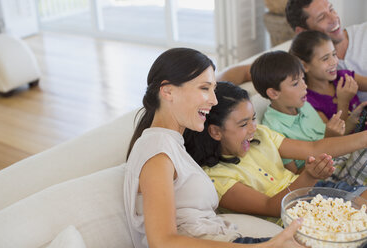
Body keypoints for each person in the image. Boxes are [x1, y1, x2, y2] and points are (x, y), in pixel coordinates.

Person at [123, 47, 304, 248]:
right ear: (167, 91)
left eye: (213, 89)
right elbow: (162, 242)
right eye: (204, 88)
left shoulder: (171, 144)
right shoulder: (157, 152)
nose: (214, 100)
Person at [184, 81, 367, 222]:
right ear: (216, 131)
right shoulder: (217, 178)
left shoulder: (261, 135)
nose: (252, 128)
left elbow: (313, 148)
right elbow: (270, 206)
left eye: (253, 119)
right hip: (298, 218)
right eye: (243, 124)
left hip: (321, 194)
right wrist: (309, 177)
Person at [253, 50, 367, 186]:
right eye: (295, 83)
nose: (305, 86)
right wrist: (328, 139)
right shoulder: (273, 128)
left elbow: (334, 137)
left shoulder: (304, 105)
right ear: (273, 93)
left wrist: (351, 121)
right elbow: (295, 176)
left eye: (303, 79)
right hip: (324, 176)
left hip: (340, 158)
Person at [286, 0, 367, 101]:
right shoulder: (312, 71)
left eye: (331, 9)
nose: (334, 19)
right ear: (302, 31)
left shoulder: (364, 33)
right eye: (321, 17)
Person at [289, 30, 367, 133]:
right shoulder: (308, 102)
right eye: (325, 58)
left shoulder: (343, 77)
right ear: (304, 66)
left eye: (334, 54)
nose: (334, 62)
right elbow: (335, 138)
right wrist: (343, 102)